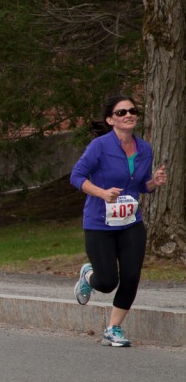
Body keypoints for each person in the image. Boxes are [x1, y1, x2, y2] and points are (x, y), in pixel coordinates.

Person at [70, 95, 168, 347]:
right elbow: (77, 176)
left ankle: (114, 328)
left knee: (132, 276)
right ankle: (89, 275)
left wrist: (153, 183)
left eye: (132, 111)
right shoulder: (99, 146)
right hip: (99, 223)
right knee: (107, 283)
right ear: (110, 119)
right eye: (121, 112)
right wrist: (102, 193)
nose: (128, 115)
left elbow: (140, 186)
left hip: (130, 223)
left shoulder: (144, 148)